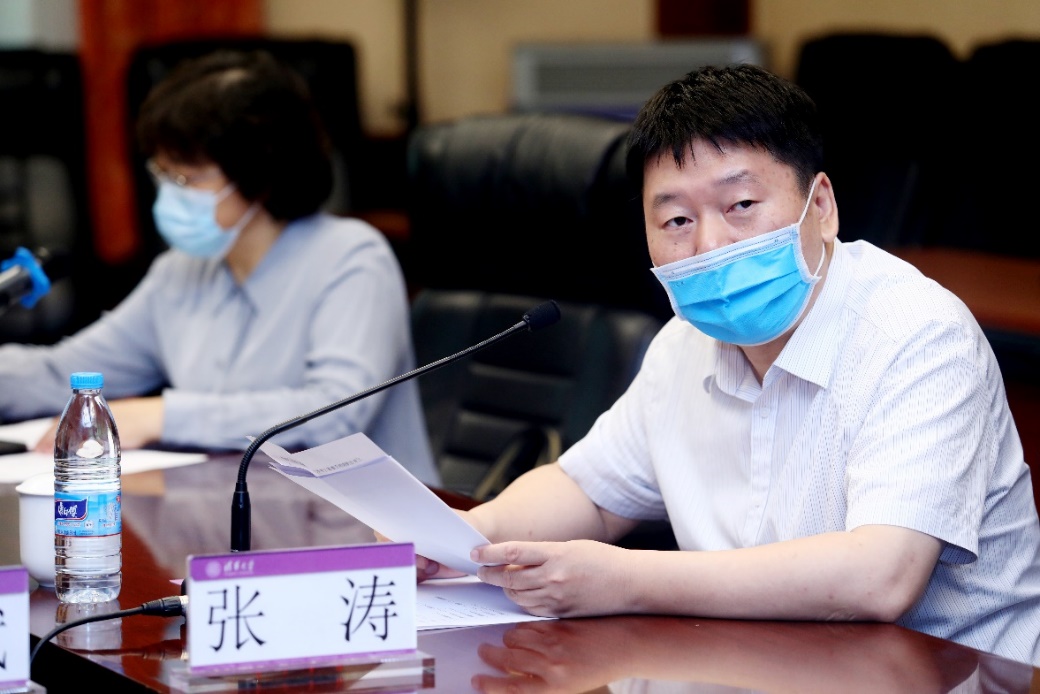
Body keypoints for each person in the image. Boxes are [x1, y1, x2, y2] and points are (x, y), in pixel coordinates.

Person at [416, 64, 1040, 664]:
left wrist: (627, 578)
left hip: (952, 675)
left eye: (740, 204)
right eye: (677, 219)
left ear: (821, 206)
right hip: (756, 663)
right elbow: (590, 493)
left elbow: (880, 577)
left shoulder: (919, 334)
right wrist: (457, 538)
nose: (708, 246)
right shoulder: (681, 345)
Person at [0, 50, 439, 485]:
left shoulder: (352, 257)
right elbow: (63, 374)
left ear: (260, 175)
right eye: (163, 173)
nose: (170, 193)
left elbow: (334, 415)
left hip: (363, 518)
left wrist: (161, 415)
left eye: (188, 178)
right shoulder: (180, 271)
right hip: (230, 509)